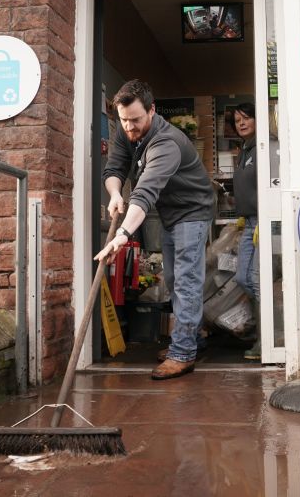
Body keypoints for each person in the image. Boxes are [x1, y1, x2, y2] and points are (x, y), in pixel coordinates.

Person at [95, 80, 215, 380]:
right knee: (175, 280)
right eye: (124, 121)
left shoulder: (166, 143)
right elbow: (114, 170)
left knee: (185, 281)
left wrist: (122, 235)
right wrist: (114, 194)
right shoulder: (128, 133)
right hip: (171, 214)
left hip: (193, 212)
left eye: (135, 120)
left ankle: (183, 353)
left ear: (152, 110)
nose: (130, 127)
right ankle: (193, 340)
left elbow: (146, 192)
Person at [232, 103, 261, 361]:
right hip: (249, 221)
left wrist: (266, 219)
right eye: (237, 119)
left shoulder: (263, 146)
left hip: (264, 220)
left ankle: (265, 339)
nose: (241, 123)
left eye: (246, 118)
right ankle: (262, 327)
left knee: (257, 280)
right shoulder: (244, 150)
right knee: (242, 278)